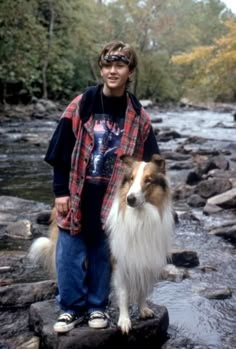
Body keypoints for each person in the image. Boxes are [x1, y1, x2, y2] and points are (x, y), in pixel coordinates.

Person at [44, 40, 160, 333]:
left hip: (113, 200)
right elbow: (59, 149)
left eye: (119, 65)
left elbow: (151, 164)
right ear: (101, 68)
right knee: (70, 254)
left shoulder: (139, 117)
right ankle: (70, 309)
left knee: (100, 254)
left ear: (130, 71)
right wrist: (60, 192)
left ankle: (97, 306)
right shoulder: (82, 103)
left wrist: (155, 200)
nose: (112, 70)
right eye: (107, 65)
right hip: (78, 191)